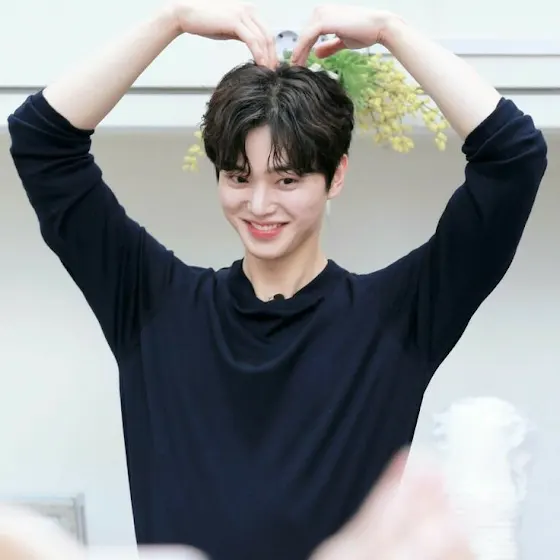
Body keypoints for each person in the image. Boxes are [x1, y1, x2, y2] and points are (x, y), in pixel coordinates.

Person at [7, 1, 547, 558]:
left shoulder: (398, 320)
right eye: (239, 177)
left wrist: (393, 31)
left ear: (335, 176)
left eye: (287, 179)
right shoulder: (152, 305)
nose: (260, 205)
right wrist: (171, 20)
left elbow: (514, 157)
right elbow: (42, 139)